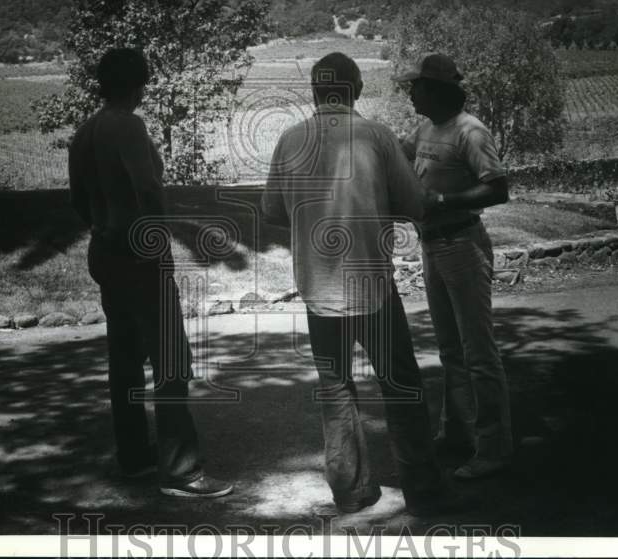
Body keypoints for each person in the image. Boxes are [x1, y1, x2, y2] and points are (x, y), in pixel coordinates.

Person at [261, 52, 460, 517]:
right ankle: (423, 489)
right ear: (357, 90)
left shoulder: (290, 139)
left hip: (318, 286)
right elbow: (415, 203)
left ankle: (351, 492)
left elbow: (271, 210)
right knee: (401, 384)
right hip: (371, 283)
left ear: (314, 92)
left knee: (335, 387)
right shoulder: (377, 136)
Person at [68, 47, 232, 499]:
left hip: (104, 252)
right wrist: (158, 245)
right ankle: (182, 470)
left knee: (123, 361)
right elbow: (149, 190)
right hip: (140, 256)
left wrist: (103, 228)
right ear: (137, 85)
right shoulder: (130, 125)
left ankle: (135, 456)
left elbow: (78, 200)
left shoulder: (84, 132)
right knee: (170, 360)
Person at [394, 53, 513, 480]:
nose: (411, 92)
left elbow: (498, 190)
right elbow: (398, 154)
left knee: (479, 353)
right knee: (450, 351)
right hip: (433, 246)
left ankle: (494, 449)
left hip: (463, 244)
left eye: (417, 86)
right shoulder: (425, 128)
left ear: (437, 90)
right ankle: (458, 436)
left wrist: (442, 201)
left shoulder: (470, 131)